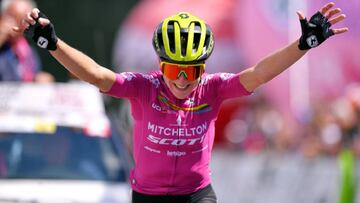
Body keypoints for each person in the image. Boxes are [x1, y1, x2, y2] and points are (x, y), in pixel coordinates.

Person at [15, 2, 348, 203]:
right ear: (161, 65)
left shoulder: (213, 89)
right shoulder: (143, 88)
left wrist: (303, 44)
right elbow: (98, 75)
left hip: (196, 196)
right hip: (148, 197)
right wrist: (54, 45)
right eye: (175, 68)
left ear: (203, 68)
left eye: (193, 70)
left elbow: (259, 73)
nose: (183, 79)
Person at [0, 0, 53, 82]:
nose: (16, 23)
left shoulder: (28, 51)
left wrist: (39, 79)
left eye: (25, 20)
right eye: (12, 16)